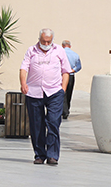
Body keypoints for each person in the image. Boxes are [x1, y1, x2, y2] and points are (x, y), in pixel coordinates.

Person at [20, 28, 71, 166]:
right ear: (39, 39)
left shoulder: (59, 51)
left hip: (54, 92)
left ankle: (53, 155)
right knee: (37, 125)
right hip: (34, 92)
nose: (46, 43)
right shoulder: (31, 51)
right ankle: (40, 154)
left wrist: (63, 89)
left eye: (48, 41)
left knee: (53, 122)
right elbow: (24, 68)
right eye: (43, 41)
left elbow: (66, 71)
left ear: (52, 40)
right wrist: (23, 83)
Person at [61, 40, 82, 120]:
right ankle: (67, 110)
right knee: (69, 93)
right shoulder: (75, 55)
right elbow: (79, 66)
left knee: (62, 93)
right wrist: (72, 70)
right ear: (70, 46)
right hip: (71, 75)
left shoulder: (60, 53)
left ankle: (64, 111)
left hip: (61, 74)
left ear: (62, 46)